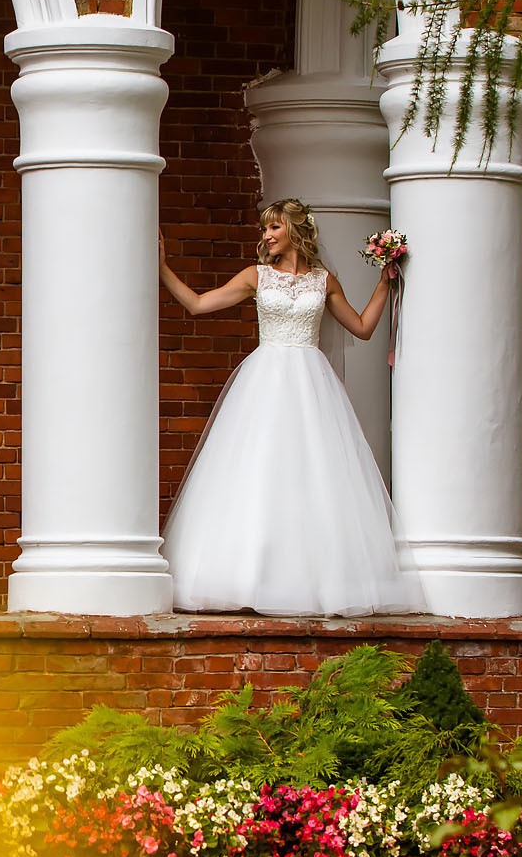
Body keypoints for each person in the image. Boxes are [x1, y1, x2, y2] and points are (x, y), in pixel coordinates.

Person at [157, 198, 422, 616]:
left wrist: (386, 280)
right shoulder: (255, 277)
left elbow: (362, 328)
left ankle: (316, 581)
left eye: (273, 228)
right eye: (265, 229)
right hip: (265, 379)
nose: (265, 236)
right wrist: (163, 268)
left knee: (315, 476)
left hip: (312, 383)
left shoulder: (324, 280)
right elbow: (198, 305)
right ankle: (247, 578)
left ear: (295, 231)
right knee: (258, 472)